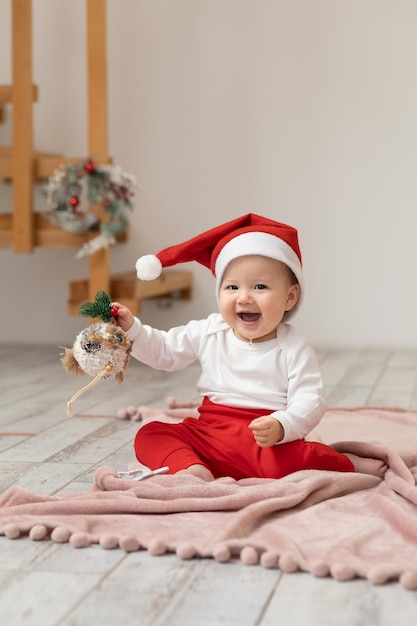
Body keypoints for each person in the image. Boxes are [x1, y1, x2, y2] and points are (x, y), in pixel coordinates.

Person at [112, 213, 387, 481]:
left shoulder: (293, 346)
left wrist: (282, 425)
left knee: (297, 460)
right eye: (232, 287)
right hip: (209, 436)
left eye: (259, 286)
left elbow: (311, 400)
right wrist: (131, 329)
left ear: (290, 297)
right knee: (150, 434)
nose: (244, 297)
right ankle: (191, 468)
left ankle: (349, 463)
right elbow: (165, 351)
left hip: (265, 441)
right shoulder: (210, 330)